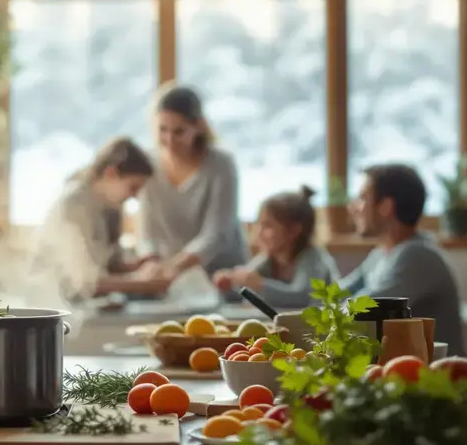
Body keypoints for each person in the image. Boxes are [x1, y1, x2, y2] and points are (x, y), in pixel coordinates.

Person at [338, 163, 465, 356]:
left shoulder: (417, 256)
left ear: (386, 206)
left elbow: (360, 309)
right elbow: (339, 293)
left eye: (362, 198)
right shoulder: (381, 254)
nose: (352, 207)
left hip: (438, 379)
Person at [135, 86, 249, 287]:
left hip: (221, 277)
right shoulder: (148, 166)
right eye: (163, 130)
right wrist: (152, 261)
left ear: (198, 127)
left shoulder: (221, 165)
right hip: (175, 282)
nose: (169, 141)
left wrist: (177, 266)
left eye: (179, 131)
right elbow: (146, 232)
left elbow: (216, 233)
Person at [31, 137, 164, 301]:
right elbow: (87, 281)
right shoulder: (74, 204)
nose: (135, 196)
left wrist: (140, 264)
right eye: (133, 187)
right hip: (54, 303)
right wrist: (145, 283)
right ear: (111, 173)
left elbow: (109, 264)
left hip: (85, 303)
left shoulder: (110, 207)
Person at [213, 186, 341, 309]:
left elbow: (302, 297)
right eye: (259, 224)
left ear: (293, 230)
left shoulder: (312, 260)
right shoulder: (267, 261)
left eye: (267, 226)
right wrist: (230, 287)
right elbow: (247, 298)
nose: (259, 233)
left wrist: (259, 284)